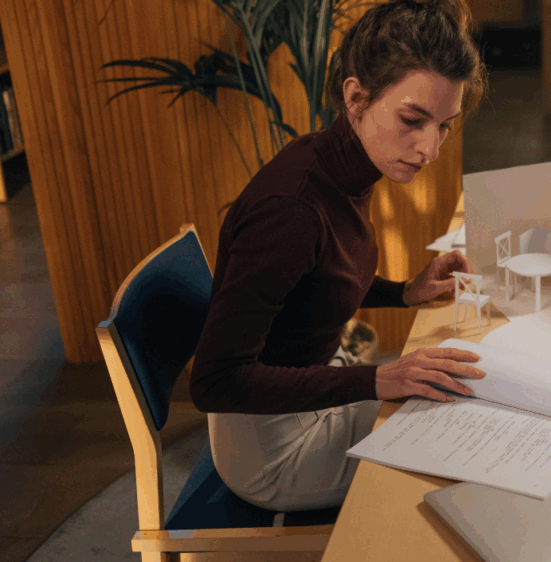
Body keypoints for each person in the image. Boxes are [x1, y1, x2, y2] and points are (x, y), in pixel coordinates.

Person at [189, 0, 489, 512]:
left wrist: (404, 292)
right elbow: (214, 382)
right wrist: (376, 378)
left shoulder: (337, 165)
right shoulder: (292, 209)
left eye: (443, 125)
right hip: (273, 451)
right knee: (469, 460)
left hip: (311, 400)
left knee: (468, 408)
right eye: (413, 120)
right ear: (356, 97)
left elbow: (315, 278)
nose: (430, 148)